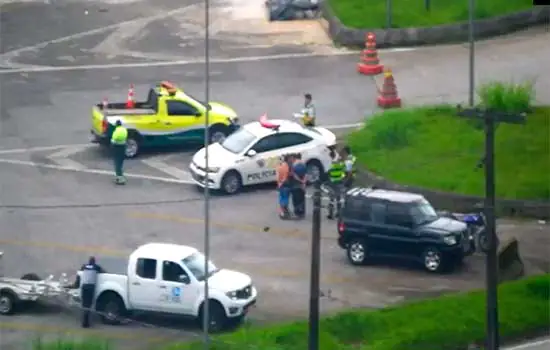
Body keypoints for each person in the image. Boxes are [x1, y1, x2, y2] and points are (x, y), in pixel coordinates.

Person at [79, 256, 104, 328]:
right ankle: (86, 323)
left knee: (84, 305)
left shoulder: (84, 266)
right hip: (90, 287)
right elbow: (102, 271)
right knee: (88, 305)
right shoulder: (96, 267)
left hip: (84, 287)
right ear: (94, 262)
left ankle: (84, 322)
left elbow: (81, 270)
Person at [326, 149, 346, 220]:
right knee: (338, 198)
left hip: (332, 183)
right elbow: (343, 172)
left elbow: (328, 174)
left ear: (331, 157)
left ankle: (331, 214)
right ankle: (339, 213)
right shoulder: (340, 164)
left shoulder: (331, 165)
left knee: (331, 199)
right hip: (339, 182)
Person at [111, 120, 128, 184]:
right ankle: (120, 176)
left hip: (117, 147)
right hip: (123, 147)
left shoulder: (116, 131)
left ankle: (120, 178)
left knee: (117, 163)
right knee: (120, 162)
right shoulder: (124, 130)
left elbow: (113, 140)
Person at [291, 153, 307, 218]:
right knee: (302, 198)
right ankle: (302, 212)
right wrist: (304, 182)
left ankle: (297, 213)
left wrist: (300, 181)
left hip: (295, 185)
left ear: (294, 158)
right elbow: (306, 174)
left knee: (296, 199)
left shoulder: (293, 166)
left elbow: (294, 175)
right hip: (302, 185)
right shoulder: (303, 164)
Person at [276, 155, 291, 219]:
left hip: (281, 184)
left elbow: (277, 177)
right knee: (286, 198)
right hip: (286, 183)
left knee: (282, 198)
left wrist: (279, 183)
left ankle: (283, 213)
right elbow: (288, 174)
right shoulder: (287, 165)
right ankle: (285, 211)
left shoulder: (278, 167)